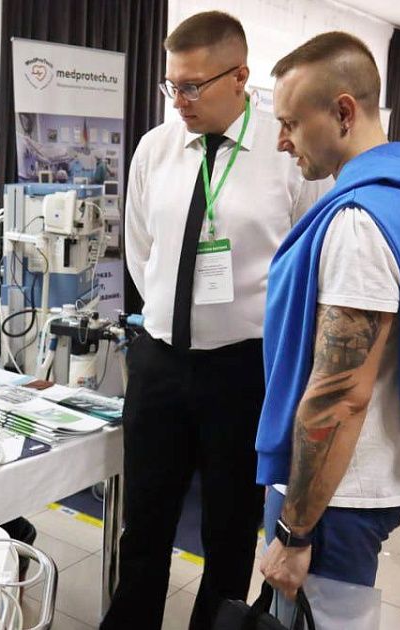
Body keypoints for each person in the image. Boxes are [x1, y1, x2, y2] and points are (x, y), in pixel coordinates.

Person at [105, 11, 322, 629]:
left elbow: (304, 264)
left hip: (242, 370)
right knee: (145, 521)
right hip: (160, 362)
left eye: (193, 86)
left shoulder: (286, 153)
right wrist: (175, 318)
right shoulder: (156, 147)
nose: (179, 100)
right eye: (172, 85)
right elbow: (142, 250)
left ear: (240, 78)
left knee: (228, 530)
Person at [255, 31, 400, 624]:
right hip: (377, 473)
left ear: (344, 112)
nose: (281, 140)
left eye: (290, 123)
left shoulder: (358, 223)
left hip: (337, 495)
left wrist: (294, 532)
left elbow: (340, 396)